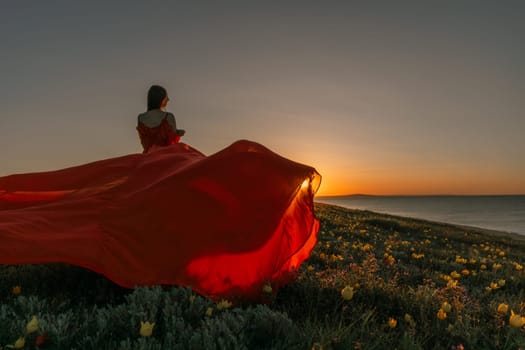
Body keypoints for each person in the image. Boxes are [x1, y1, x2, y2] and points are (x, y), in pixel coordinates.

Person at [137, 85, 186, 153]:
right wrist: (178, 134)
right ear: (161, 99)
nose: (168, 99)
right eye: (166, 97)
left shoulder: (140, 118)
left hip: (147, 158)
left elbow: (146, 140)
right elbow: (172, 142)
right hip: (165, 156)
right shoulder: (169, 116)